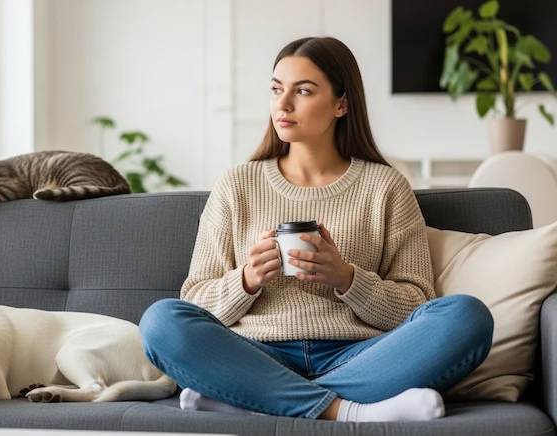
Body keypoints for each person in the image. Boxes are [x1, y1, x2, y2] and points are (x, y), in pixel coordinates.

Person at [138, 36, 494, 422]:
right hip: (255, 353)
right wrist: (246, 279)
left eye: (303, 91)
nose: (283, 104)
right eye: (276, 89)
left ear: (341, 104)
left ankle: (252, 399)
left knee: (467, 316)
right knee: (161, 321)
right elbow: (193, 301)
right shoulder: (237, 185)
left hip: (357, 356)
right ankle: (346, 411)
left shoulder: (386, 187)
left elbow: (415, 305)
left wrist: (346, 278)